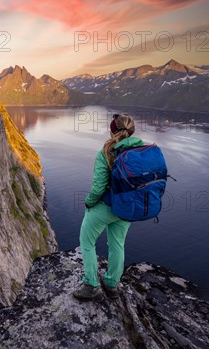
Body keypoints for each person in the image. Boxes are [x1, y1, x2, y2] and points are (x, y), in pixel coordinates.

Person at [73, 113, 144, 302]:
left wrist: (89, 202)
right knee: (117, 245)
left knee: (87, 242)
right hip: (128, 208)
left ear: (112, 130)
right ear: (132, 131)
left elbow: (98, 187)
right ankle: (112, 284)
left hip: (107, 206)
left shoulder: (106, 152)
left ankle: (91, 286)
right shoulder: (141, 150)